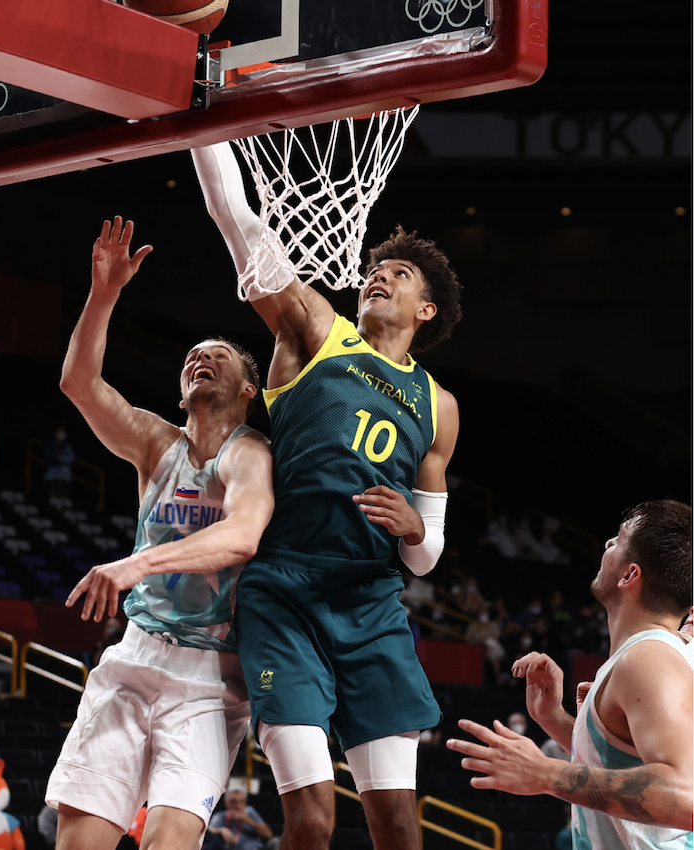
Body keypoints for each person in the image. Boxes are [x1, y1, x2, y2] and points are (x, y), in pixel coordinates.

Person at [192, 141, 463, 850]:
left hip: (371, 605)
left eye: (398, 274)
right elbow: (238, 220)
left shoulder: (440, 407)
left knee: (399, 827)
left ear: (426, 309)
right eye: (374, 268)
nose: (378, 276)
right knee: (311, 819)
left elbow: (427, 559)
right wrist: (203, 123)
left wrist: (413, 528)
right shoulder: (317, 329)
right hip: (285, 593)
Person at [45, 217, 275, 850]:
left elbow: (244, 534)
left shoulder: (248, 452)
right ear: (180, 393)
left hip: (209, 675)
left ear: (248, 390)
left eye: (218, 355)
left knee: (169, 842)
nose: (201, 358)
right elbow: (79, 385)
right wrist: (105, 291)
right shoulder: (157, 443)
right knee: (78, 840)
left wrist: (134, 565)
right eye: (191, 357)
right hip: (135, 655)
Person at [446, 499, 693, 849]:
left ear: (629, 575)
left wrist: (547, 774)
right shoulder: (658, 652)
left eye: (620, 540)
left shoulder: (648, 659)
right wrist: (556, 719)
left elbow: (685, 797)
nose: (608, 544)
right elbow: (626, 761)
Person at [204, 788, 280, 850]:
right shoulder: (221, 816)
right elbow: (209, 830)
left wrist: (249, 821)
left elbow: (268, 834)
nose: (238, 806)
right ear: (226, 803)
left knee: (276, 841)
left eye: (241, 801)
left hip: (255, 847)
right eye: (234, 802)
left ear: (245, 803)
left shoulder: (250, 812)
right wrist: (221, 830)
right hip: (233, 847)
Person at [43, 425, 75, 499]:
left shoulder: (67, 447)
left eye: (63, 433)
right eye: (59, 432)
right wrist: (60, 461)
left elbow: (70, 459)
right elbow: (49, 458)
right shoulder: (51, 445)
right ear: (55, 433)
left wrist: (60, 459)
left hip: (64, 477)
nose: (61, 435)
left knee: (63, 497)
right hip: (52, 477)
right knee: (53, 497)